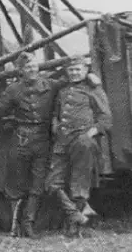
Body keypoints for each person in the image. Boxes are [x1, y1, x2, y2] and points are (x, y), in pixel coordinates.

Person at [0, 52, 57, 239]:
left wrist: (92, 80)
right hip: (21, 139)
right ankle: (14, 225)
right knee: (15, 183)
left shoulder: (50, 85)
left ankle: (28, 223)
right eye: (27, 67)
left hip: (42, 139)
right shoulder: (13, 90)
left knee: (38, 183)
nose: (32, 69)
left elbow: (72, 82)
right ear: (21, 70)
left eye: (34, 65)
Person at [47, 56, 112, 238]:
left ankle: (73, 228)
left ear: (85, 70)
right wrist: (55, 125)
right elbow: (57, 113)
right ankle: (76, 215)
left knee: (79, 184)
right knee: (52, 184)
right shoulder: (63, 90)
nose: (74, 73)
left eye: (78, 69)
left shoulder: (94, 90)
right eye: (71, 70)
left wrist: (89, 135)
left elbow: (105, 119)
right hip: (62, 141)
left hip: (82, 141)